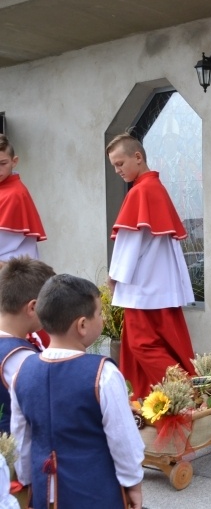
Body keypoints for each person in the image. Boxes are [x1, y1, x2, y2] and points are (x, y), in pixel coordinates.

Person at [11, 274, 144, 508]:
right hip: (96, 492)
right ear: (82, 325)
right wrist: (133, 482)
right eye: (99, 314)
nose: (103, 319)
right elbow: (123, 438)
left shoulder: (21, 371)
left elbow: (21, 438)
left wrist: (27, 479)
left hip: (44, 490)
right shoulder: (103, 374)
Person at [106, 133, 196, 400]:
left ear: (138, 157)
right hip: (158, 285)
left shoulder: (140, 191)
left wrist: (114, 276)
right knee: (156, 345)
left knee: (142, 345)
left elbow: (129, 243)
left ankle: (188, 393)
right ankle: (148, 401)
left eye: (120, 163)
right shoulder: (155, 187)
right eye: (114, 166)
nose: (117, 170)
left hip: (142, 287)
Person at [0, 257, 55, 433]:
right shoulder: (21, 358)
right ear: (33, 307)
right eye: (51, 305)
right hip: (15, 445)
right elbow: (45, 409)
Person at [0, 134, 46, 261]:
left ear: (14, 161)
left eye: (2, 163)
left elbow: (3, 241)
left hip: (13, 269)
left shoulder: (15, 194)